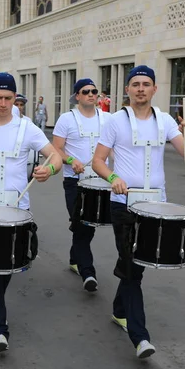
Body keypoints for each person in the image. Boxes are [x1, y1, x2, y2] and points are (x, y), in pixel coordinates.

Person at [92, 65, 185, 359]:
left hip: (156, 205)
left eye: (146, 84)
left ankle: (118, 310)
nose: (140, 88)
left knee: (135, 264)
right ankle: (140, 336)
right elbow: (98, 161)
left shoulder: (164, 121)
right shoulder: (115, 121)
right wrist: (113, 179)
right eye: (135, 84)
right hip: (124, 204)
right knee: (132, 262)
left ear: (154, 89)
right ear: (127, 90)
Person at [0, 72, 63, 353]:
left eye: (9, 98)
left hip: (18, 211)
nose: (4, 104)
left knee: (6, 269)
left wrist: (48, 170)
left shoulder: (28, 128)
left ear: (15, 99)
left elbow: (55, 155)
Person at [52, 78, 112, 289]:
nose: (91, 94)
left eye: (94, 91)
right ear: (77, 96)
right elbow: (56, 149)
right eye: (86, 91)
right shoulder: (66, 119)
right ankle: (88, 272)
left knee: (86, 225)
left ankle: (74, 259)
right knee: (83, 225)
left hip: (100, 182)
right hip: (74, 181)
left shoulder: (108, 119)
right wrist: (71, 160)